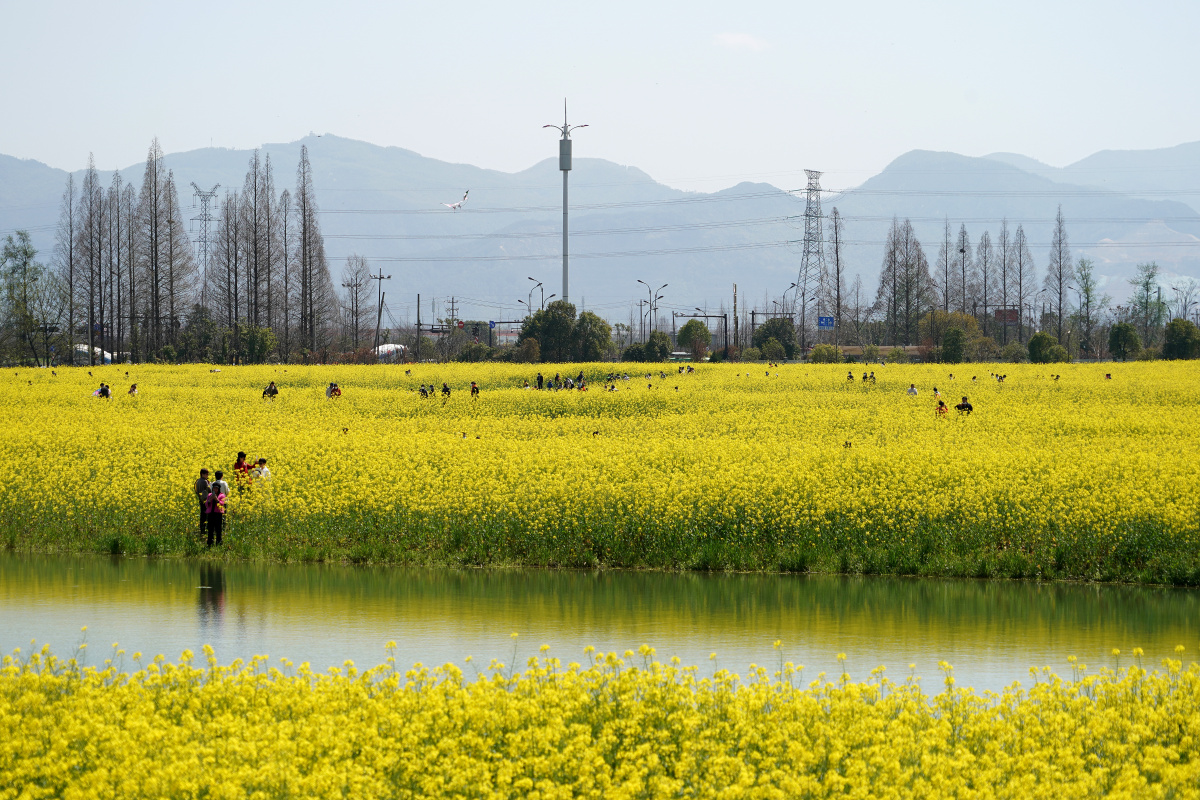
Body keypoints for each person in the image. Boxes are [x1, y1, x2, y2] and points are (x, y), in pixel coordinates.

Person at [207, 470, 230, 547]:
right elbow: (207, 504)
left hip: (218, 513)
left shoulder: (221, 495)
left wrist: (216, 499)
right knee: (210, 529)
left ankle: (219, 543)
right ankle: (210, 543)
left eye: (216, 489)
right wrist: (210, 499)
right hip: (211, 513)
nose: (215, 490)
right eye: (214, 488)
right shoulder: (210, 495)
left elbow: (221, 504)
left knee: (218, 529)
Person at [194, 468, 211, 539]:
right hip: (205, 500)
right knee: (206, 515)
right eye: (206, 474)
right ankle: (204, 530)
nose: (207, 475)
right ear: (202, 474)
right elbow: (209, 489)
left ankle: (202, 529)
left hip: (200, 499)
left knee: (202, 514)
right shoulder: (204, 481)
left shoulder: (197, 481)